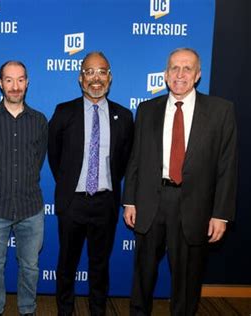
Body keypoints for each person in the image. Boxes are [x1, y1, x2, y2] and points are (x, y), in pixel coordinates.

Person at [122, 48, 238, 315]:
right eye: (174, 68)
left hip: (194, 207)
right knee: (143, 276)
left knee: (187, 282)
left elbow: (227, 167)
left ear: (198, 75)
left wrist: (221, 214)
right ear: (165, 75)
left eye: (187, 68)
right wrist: (129, 200)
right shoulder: (147, 109)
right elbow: (136, 159)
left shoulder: (221, 111)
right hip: (151, 201)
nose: (180, 74)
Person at [48, 51, 134, 316]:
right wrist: (70, 187)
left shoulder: (124, 115)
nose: (95, 78)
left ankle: (98, 311)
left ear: (109, 77)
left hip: (105, 203)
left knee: (100, 265)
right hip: (72, 202)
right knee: (67, 264)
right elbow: (55, 157)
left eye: (101, 72)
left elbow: (126, 160)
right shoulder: (64, 112)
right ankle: (65, 311)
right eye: (89, 72)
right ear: (80, 77)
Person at [0, 61, 48, 316]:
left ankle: (27, 309)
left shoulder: (39, 121)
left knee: (30, 266)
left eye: (20, 80)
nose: (15, 86)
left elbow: (38, 161)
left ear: (27, 82)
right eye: (8, 80)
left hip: (31, 207)